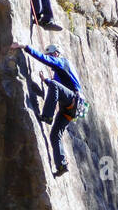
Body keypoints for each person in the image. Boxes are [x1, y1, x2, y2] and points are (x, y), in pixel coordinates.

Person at [22, 42, 85, 176]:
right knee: (55, 135)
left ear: (56, 53)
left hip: (73, 101)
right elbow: (57, 86)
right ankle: (61, 165)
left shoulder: (63, 62)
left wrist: (26, 48)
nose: (50, 58)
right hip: (69, 109)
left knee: (55, 85)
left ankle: (47, 116)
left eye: (51, 55)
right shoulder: (58, 73)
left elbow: (46, 61)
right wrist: (45, 80)